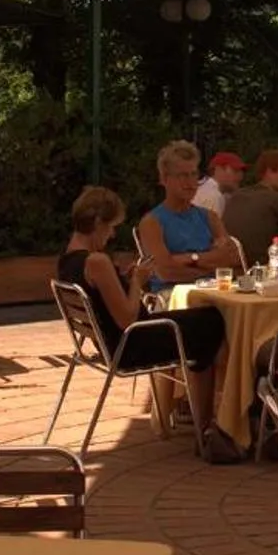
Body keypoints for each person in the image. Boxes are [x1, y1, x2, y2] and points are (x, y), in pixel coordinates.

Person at [58, 185, 245, 464]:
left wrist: (126, 278)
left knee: (204, 321)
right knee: (213, 323)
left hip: (118, 340)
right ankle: (208, 426)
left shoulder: (66, 260)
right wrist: (137, 282)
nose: (111, 236)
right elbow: (127, 318)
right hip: (132, 344)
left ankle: (204, 421)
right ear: (97, 223)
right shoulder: (97, 261)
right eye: (110, 228)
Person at [134, 140, 245, 291]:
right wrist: (211, 264)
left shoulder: (210, 217)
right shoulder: (152, 222)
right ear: (165, 179)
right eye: (182, 175)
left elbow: (233, 260)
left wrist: (189, 259)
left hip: (214, 294)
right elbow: (166, 271)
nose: (191, 182)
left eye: (194, 174)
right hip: (175, 297)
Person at [193, 151, 244, 218]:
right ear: (218, 169)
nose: (240, 176)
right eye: (235, 171)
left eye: (241, 172)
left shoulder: (203, 187)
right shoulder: (213, 196)